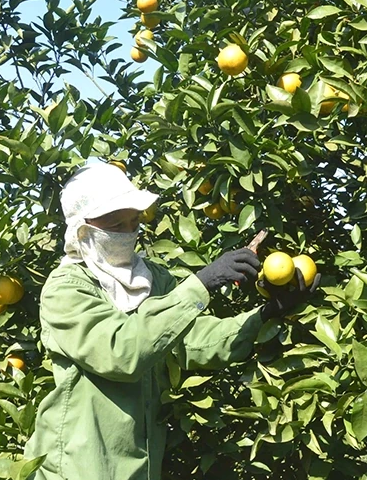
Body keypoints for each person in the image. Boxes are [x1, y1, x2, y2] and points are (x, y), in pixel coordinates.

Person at [24, 161, 320, 480]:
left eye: (133, 221)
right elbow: (120, 352)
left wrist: (265, 314)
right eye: (114, 224)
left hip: (140, 468)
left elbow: (190, 344)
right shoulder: (66, 288)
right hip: (76, 467)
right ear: (83, 229)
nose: (127, 233)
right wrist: (201, 283)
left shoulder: (152, 278)